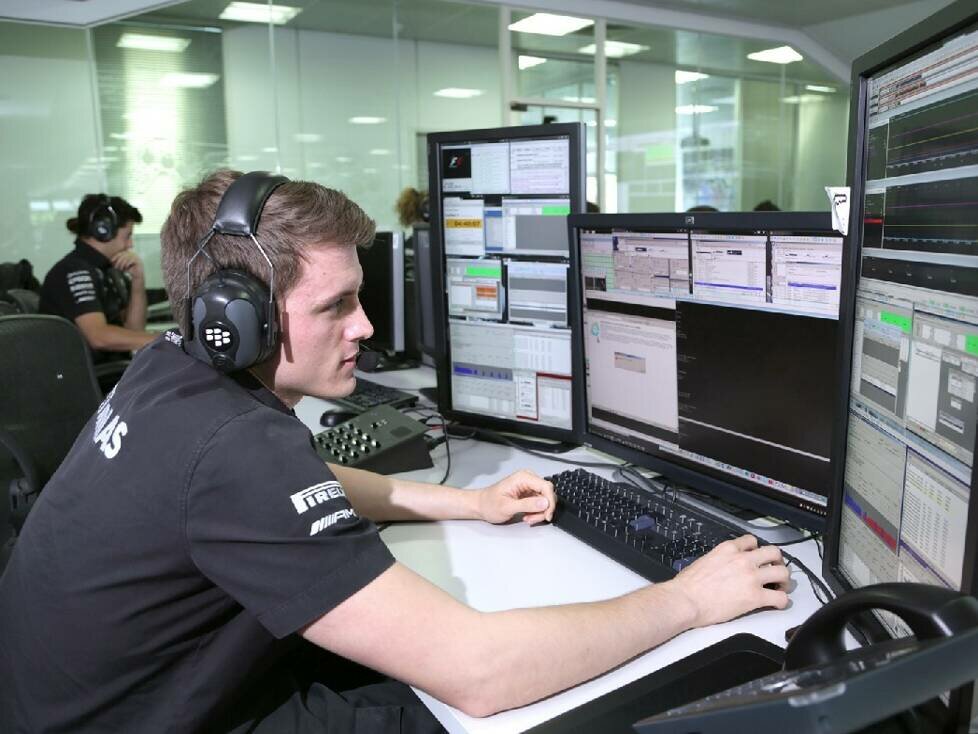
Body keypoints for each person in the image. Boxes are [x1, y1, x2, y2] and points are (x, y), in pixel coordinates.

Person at [0, 170, 790, 733]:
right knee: (450, 711)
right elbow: (479, 673)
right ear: (236, 320)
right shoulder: (236, 447)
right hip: (151, 716)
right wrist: (690, 599)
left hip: (82, 700)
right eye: (336, 305)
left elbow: (300, 480)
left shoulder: (166, 370)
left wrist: (469, 502)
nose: (366, 327)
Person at [39, 193, 156, 367]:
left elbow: (134, 331)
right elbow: (98, 337)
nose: (130, 244)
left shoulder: (106, 270)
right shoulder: (74, 271)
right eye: (127, 236)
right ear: (103, 230)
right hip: (89, 380)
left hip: (114, 370)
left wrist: (138, 280)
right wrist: (167, 339)